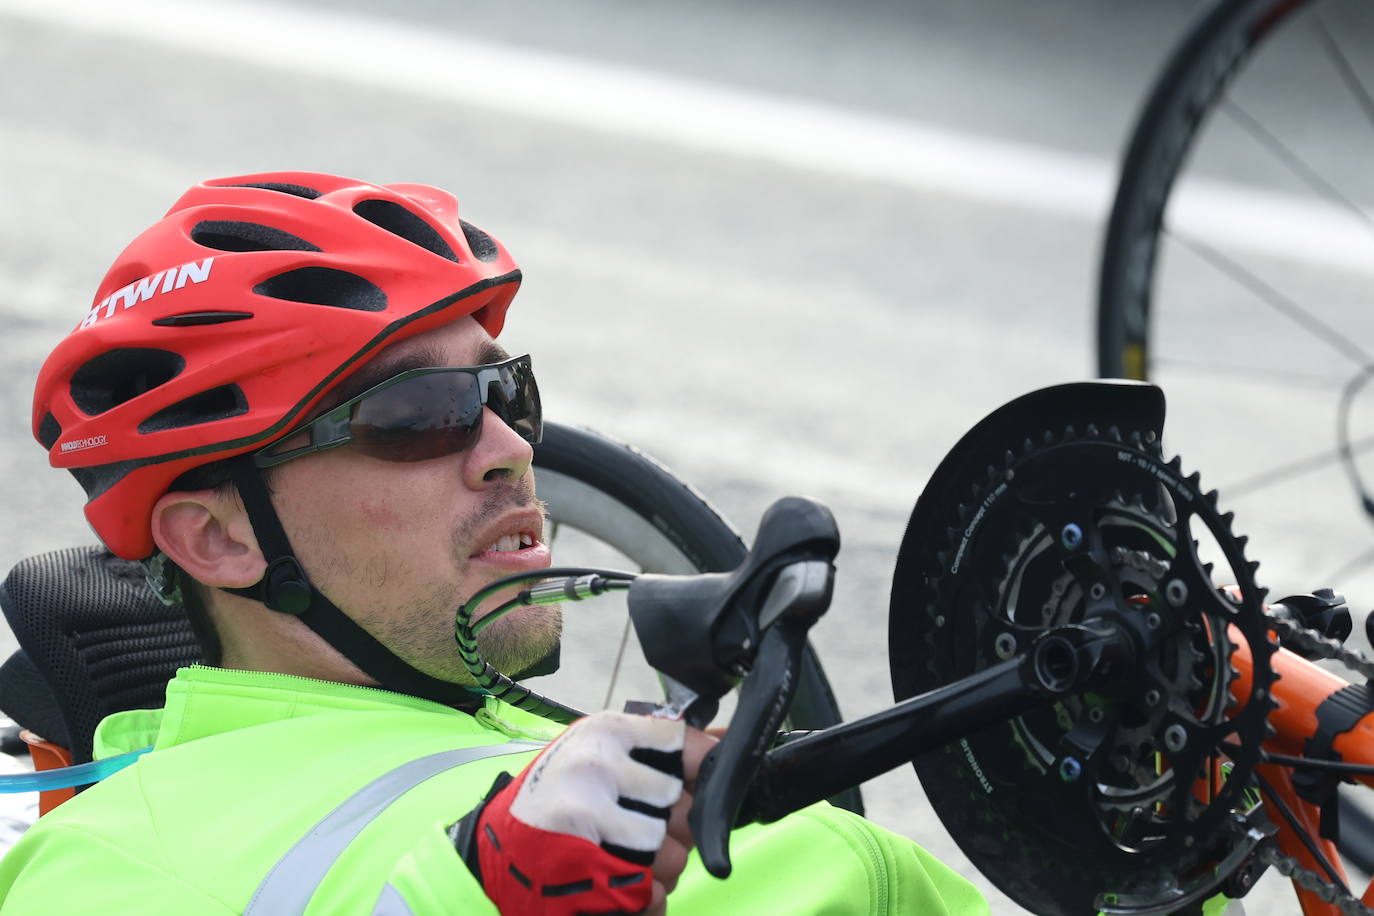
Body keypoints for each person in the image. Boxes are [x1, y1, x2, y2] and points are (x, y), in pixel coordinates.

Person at [0, 172, 988, 915]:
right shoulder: (126, 856)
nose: (510, 450)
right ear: (216, 538)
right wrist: (478, 885)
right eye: (419, 414)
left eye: (503, 390)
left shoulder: (544, 747)